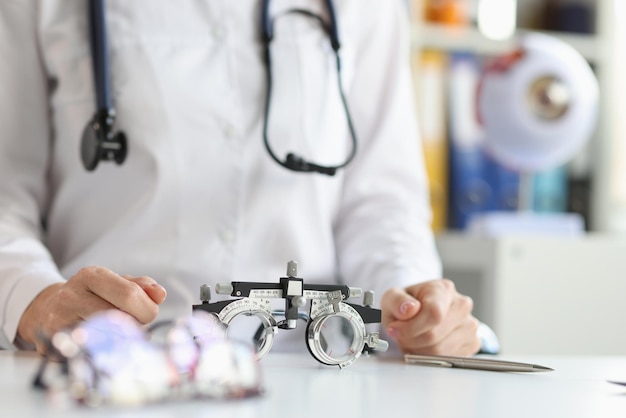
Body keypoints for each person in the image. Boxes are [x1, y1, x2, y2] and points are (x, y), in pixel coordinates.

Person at [0, 0, 482, 357]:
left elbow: (381, 201)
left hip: (320, 366)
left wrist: (412, 302)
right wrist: (38, 301)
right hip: (112, 362)